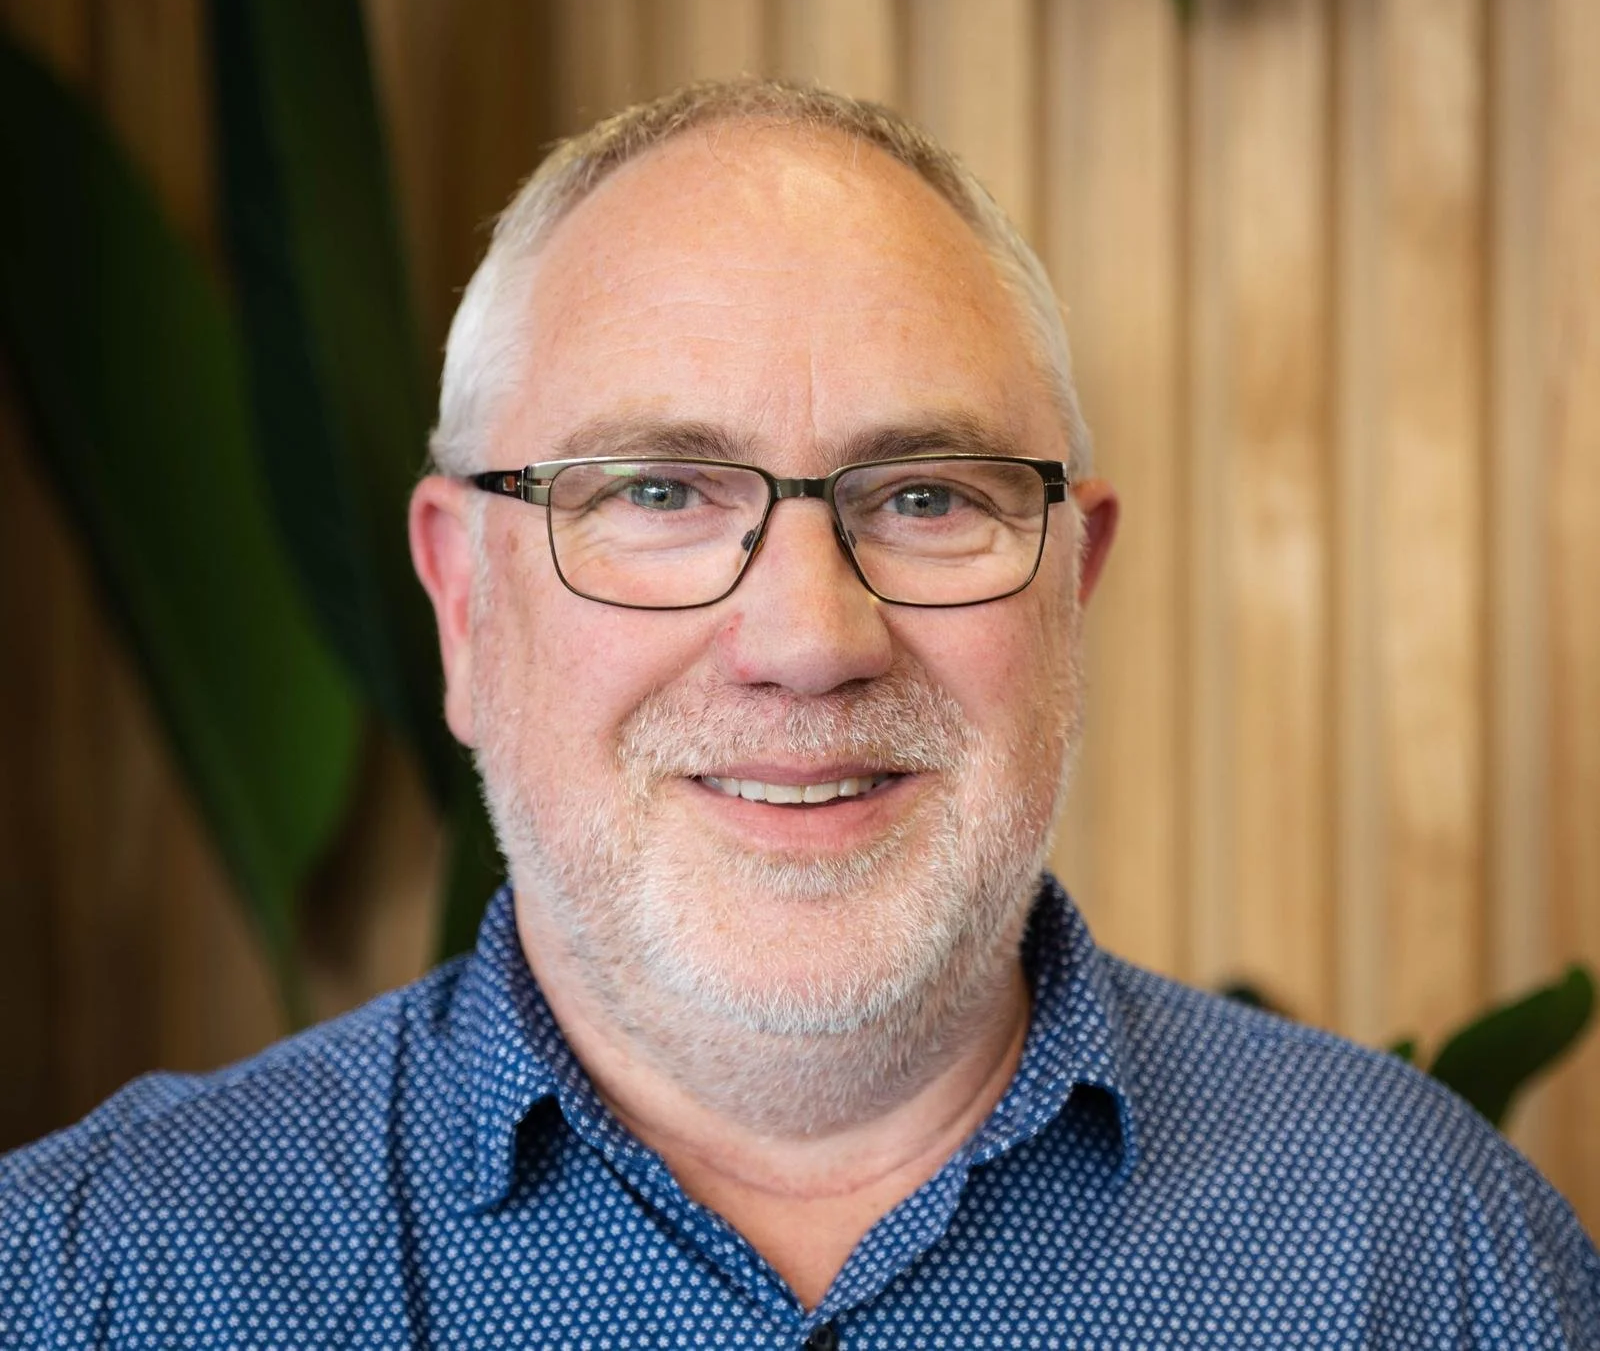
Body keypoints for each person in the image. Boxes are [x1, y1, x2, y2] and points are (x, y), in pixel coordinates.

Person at [2, 79, 1596, 1349]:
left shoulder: (1427, 1257)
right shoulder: (94, 1283)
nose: (809, 639)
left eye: (926, 495)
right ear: (467, 603)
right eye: (657, 491)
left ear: (1072, 589)